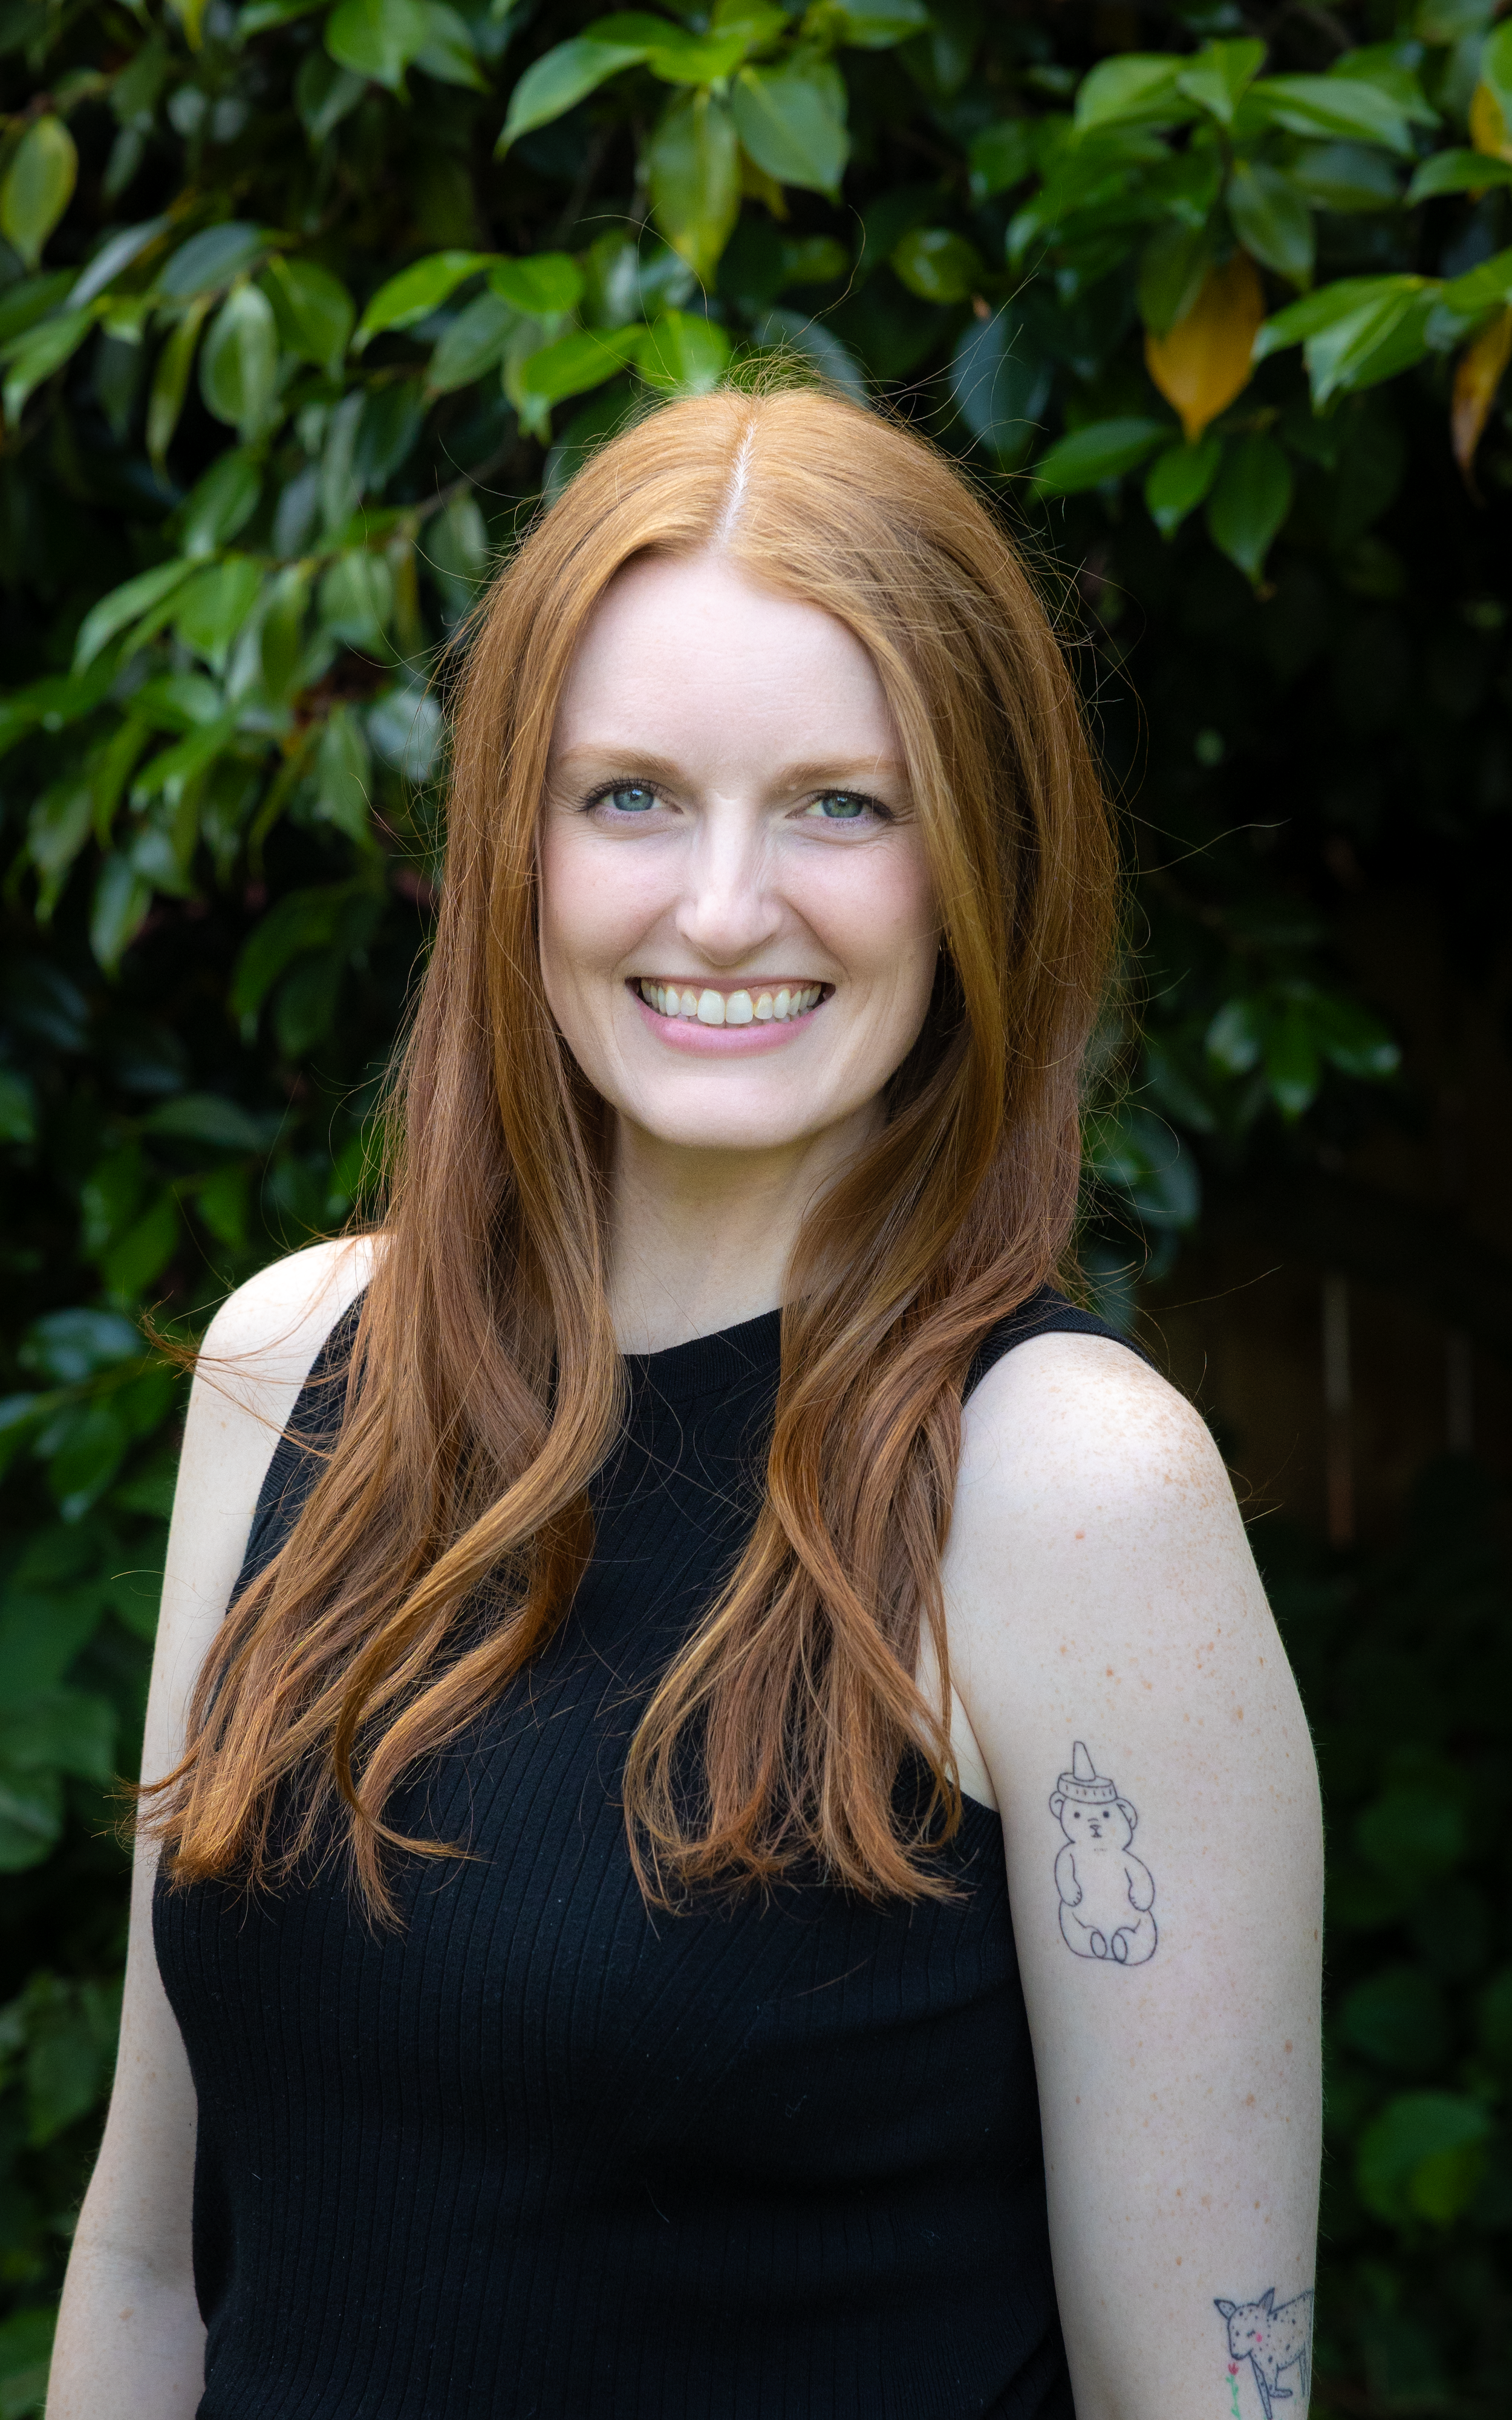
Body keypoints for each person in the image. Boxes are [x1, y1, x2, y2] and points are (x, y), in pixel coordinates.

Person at [48, 384, 1322, 2420]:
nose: (723, 908)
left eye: (843, 801)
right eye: (629, 794)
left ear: (976, 856)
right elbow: (145, 2253)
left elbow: (1201, 2392)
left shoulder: (1068, 1490)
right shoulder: (290, 1372)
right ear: (511, 844)